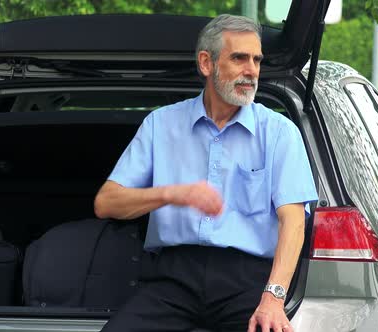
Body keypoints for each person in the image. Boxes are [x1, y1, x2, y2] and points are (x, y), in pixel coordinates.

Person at [94, 14, 317, 332]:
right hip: (171, 280)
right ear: (206, 63)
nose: (251, 70)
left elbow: (294, 221)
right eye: (239, 58)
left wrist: (274, 298)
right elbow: (106, 203)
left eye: (256, 60)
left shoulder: (281, 133)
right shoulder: (161, 124)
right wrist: (172, 193)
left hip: (247, 282)